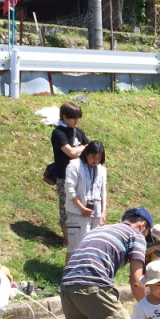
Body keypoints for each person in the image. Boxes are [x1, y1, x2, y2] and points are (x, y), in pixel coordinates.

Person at [48, 102, 87, 246]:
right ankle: (67, 240)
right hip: (64, 176)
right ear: (64, 116)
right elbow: (70, 153)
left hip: (81, 175)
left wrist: (79, 150)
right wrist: (81, 148)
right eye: (73, 118)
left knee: (81, 206)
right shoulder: (58, 133)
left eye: (78, 118)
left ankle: (80, 237)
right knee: (65, 209)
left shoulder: (79, 132)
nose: (76, 121)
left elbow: (89, 150)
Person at [64, 141, 107, 256]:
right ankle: (70, 273)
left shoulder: (101, 169)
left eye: (98, 158)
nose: (95, 161)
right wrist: (81, 208)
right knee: (76, 246)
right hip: (77, 212)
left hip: (95, 212)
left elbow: (103, 191)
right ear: (87, 153)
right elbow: (70, 189)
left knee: (92, 246)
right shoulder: (74, 166)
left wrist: (103, 212)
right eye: (93, 157)